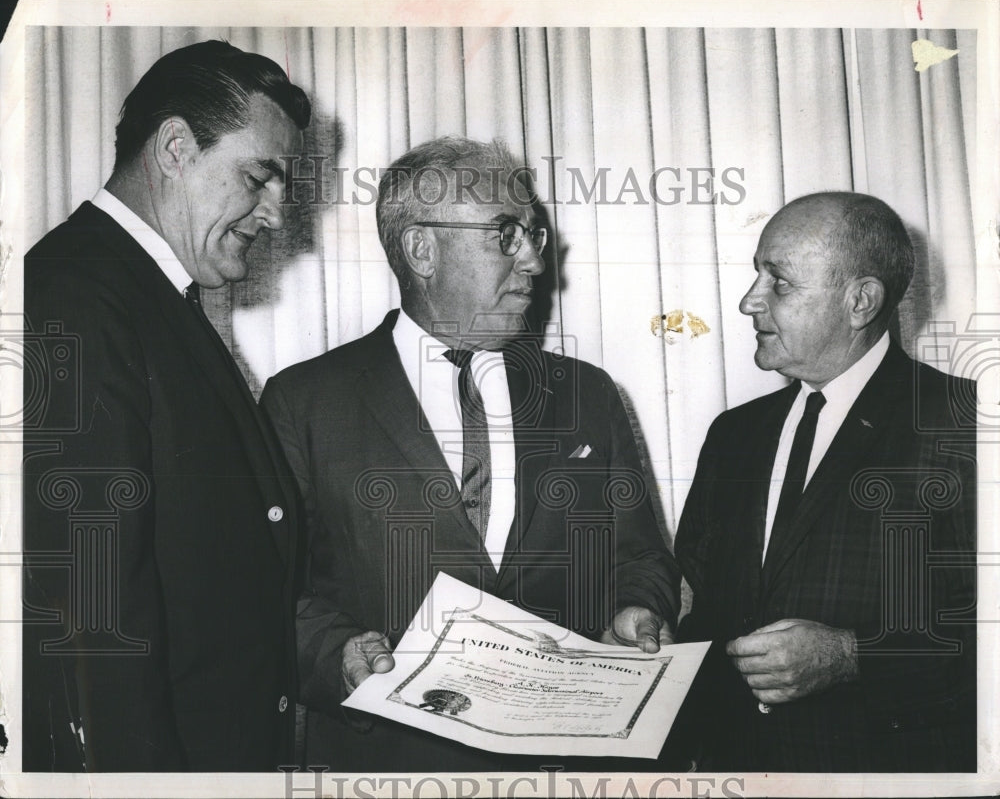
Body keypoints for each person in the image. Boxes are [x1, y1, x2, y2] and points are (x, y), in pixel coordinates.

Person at [261, 136, 681, 771]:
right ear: (422, 248)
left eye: (534, 234)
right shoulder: (304, 402)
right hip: (391, 767)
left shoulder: (586, 395)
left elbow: (641, 554)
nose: (536, 263)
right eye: (505, 234)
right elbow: (266, 591)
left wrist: (639, 609)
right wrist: (337, 655)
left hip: (564, 765)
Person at [22, 40, 311, 771]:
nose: (276, 215)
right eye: (259, 176)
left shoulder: (137, 290)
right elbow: (95, 605)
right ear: (176, 146)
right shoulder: (75, 294)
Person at [674, 192, 976, 771]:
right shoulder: (733, 435)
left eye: (779, 282)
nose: (748, 302)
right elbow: (707, 602)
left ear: (860, 300)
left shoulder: (964, 424)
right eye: (755, 275)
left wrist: (851, 655)